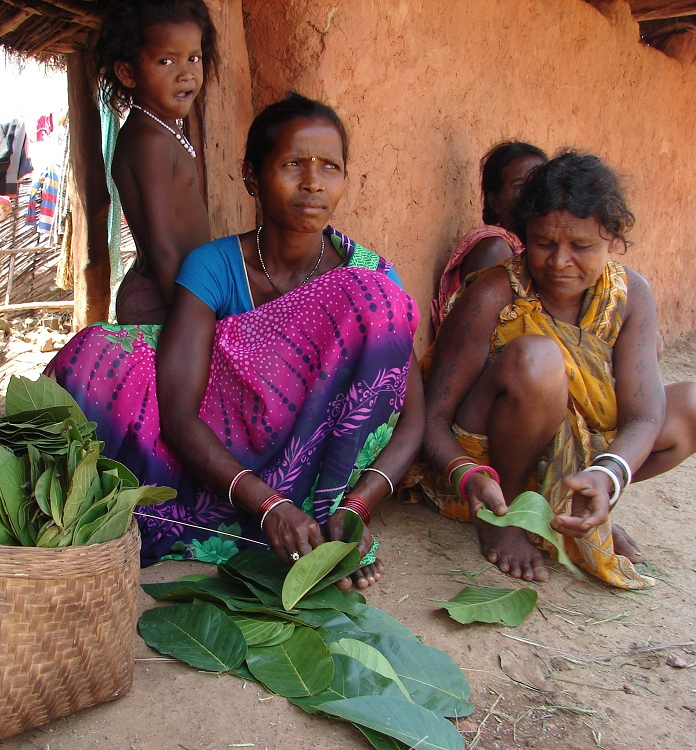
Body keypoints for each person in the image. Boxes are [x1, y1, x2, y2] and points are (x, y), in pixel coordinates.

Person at [47, 93, 425, 589]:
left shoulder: (369, 283)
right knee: (96, 358)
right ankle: (269, 520)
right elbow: (178, 411)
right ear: (251, 176)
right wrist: (267, 504)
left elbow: (413, 420)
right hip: (219, 465)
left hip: (320, 483)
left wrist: (358, 508)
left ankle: (327, 521)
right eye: (293, 163)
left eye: (330, 167)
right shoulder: (214, 266)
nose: (313, 181)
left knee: (380, 301)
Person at [419, 151, 696, 588]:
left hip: (574, 458)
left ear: (613, 237)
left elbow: (645, 414)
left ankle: (570, 503)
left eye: (581, 246)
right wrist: (467, 474)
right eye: (543, 243)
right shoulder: (495, 293)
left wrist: (606, 476)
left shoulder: (630, 295)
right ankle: (513, 513)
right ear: (523, 235)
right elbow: (433, 416)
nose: (559, 262)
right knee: (538, 360)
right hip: (487, 468)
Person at [94, 0, 220, 324]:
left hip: (178, 291)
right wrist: (190, 323)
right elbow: (163, 249)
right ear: (128, 72)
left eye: (194, 57)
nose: (186, 74)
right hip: (162, 297)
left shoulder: (161, 130)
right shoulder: (149, 140)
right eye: (166, 60)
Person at [430, 141, 547, 331]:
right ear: (495, 201)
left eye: (539, 184)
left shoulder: (534, 248)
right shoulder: (494, 248)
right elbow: (492, 334)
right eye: (520, 186)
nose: (532, 194)